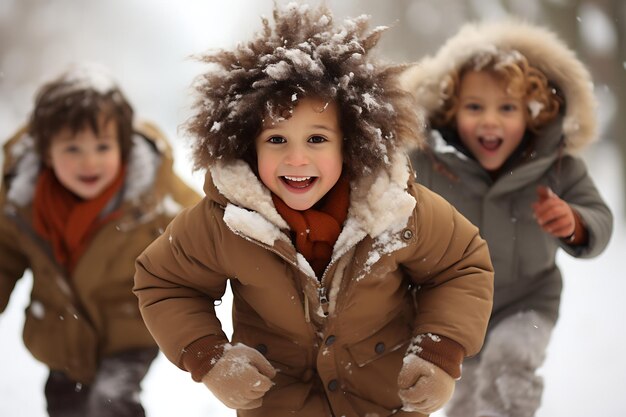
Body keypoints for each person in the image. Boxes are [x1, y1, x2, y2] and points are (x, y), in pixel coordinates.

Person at [133, 4, 493, 417]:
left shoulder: (396, 209)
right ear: (247, 145)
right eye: (277, 141)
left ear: (351, 143)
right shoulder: (226, 221)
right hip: (281, 404)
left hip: (384, 401)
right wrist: (210, 358)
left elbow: (461, 265)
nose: (297, 159)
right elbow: (164, 281)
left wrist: (438, 353)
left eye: (317, 139)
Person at [400, 19, 613, 417]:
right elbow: (385, 204)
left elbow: (600, 217)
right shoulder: (426, 165)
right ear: (451, 109)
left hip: (527, 303)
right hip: (451, 305)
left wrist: (575, 222)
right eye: (475, 107)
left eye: (508, 108)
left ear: (534, 113)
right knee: (461, 395)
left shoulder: (558, 168)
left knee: (509, 364)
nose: (490, 121)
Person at [0, 63, 200, 417]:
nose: (89, 161)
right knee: (66, 406)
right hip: (61, 332)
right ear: (47, 153)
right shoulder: (24, 202)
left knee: (110, 403)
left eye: (102, 146)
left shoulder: (151, 197)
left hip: (130, 329)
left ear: (122, 147)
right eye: (72, 149)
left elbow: (202, 230)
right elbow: (4, 256)